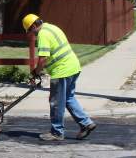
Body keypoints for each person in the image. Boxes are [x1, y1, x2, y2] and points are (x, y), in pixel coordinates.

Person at [22, 14, 97, 142]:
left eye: (30, 30)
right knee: (68, 98)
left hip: (62, 71)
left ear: (34, 26)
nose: (31, 34)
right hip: (73, 67)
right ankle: (86, 123)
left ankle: (57, 132)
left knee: (56, 102)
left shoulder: (43, 35)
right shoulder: (52, 27)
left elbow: (43, 58)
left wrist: (36, 72)